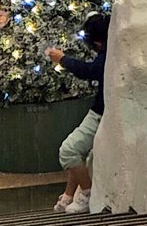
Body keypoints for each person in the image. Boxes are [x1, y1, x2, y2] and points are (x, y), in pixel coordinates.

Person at [47, 13, 110, 215]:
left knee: (68, 151)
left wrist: (62, 59)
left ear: (97, 43)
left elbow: (89, 71)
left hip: (101, 113)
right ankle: (69, 195)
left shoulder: (108, 55)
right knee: (79, 152)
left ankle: (88, 194)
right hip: (100, 110)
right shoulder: (115, 47)